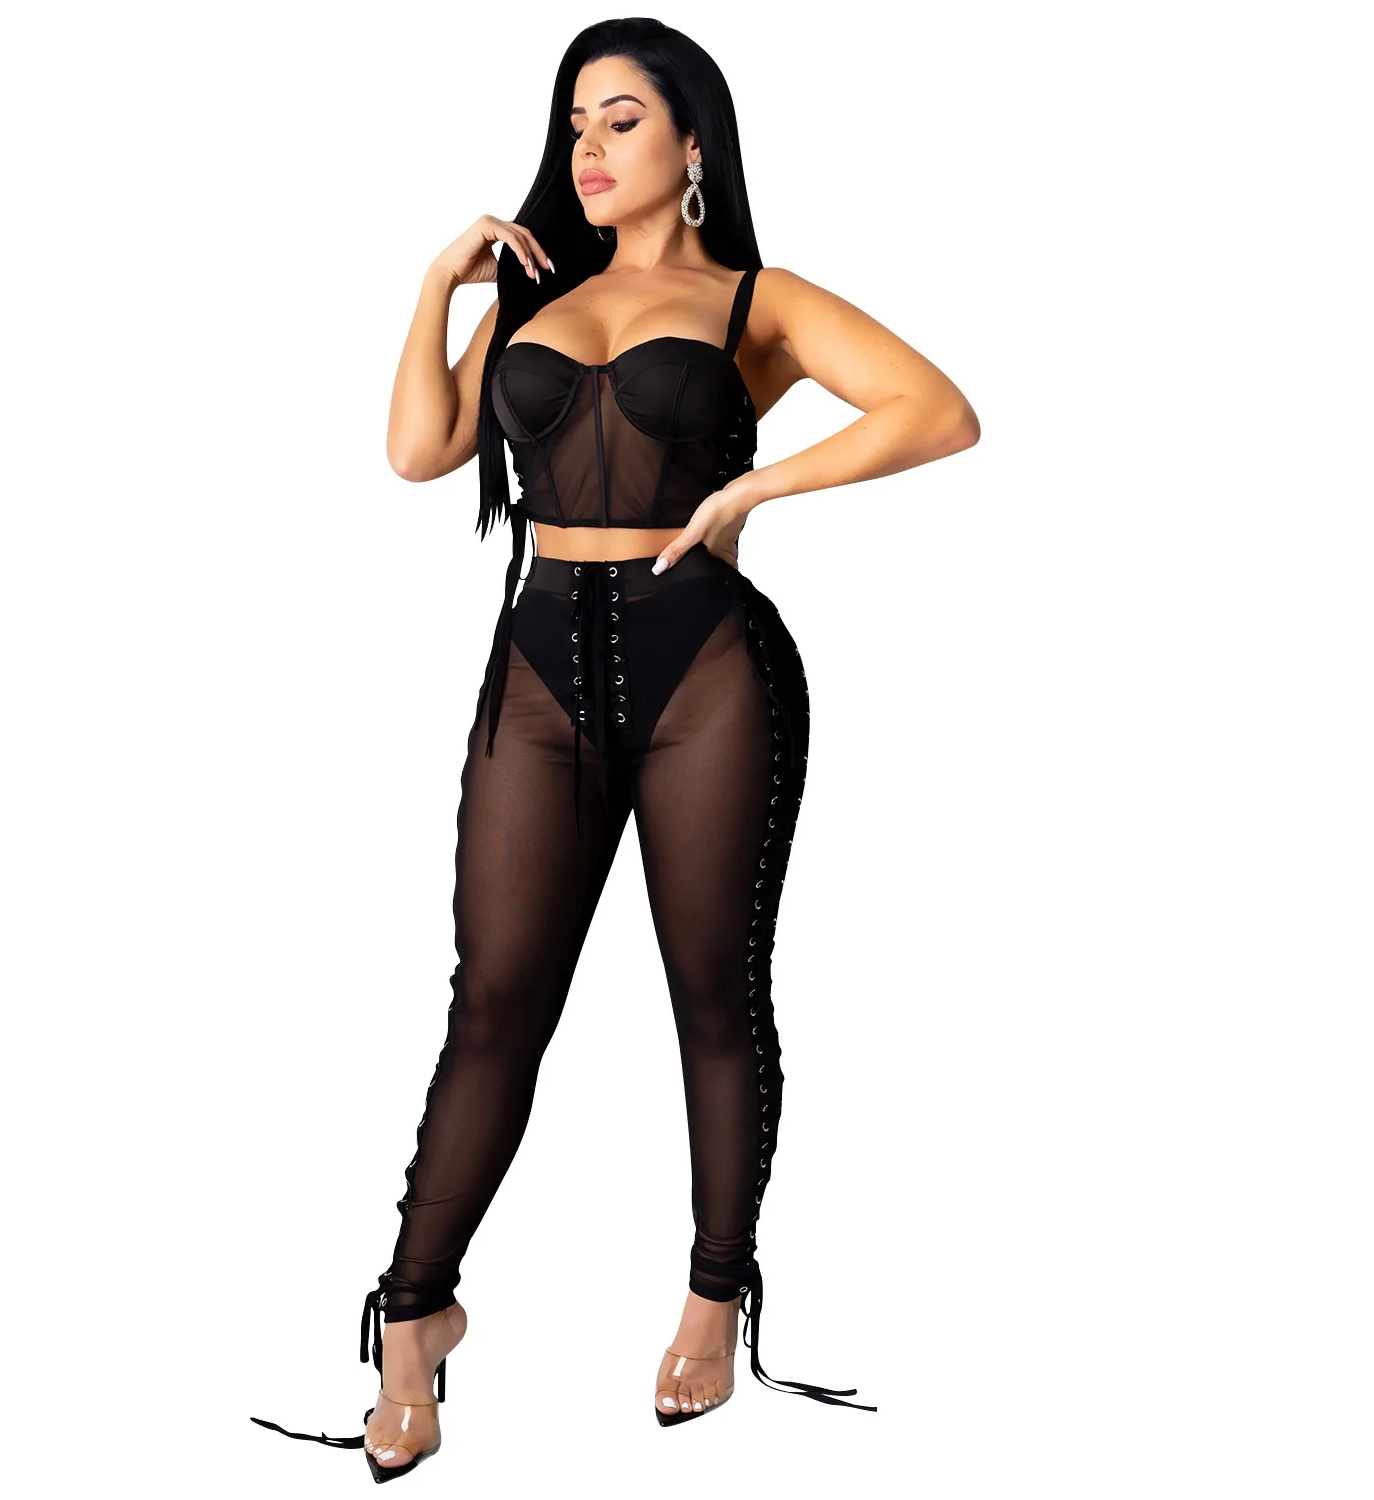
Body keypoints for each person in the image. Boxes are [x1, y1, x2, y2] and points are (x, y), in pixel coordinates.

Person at [252, 18, 978, 1482]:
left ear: (694, 142)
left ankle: (716, 1295)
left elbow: (938, 412)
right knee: (492, 1003)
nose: (588, 148)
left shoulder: (755, 301)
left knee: (713, 990)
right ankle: (414, 1314)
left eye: (623, 120)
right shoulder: (536, 297)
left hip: (707, 663)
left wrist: (753, 490)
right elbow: (419, 451)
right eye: (575, 123)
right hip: (536, 672)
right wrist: (435, 286)